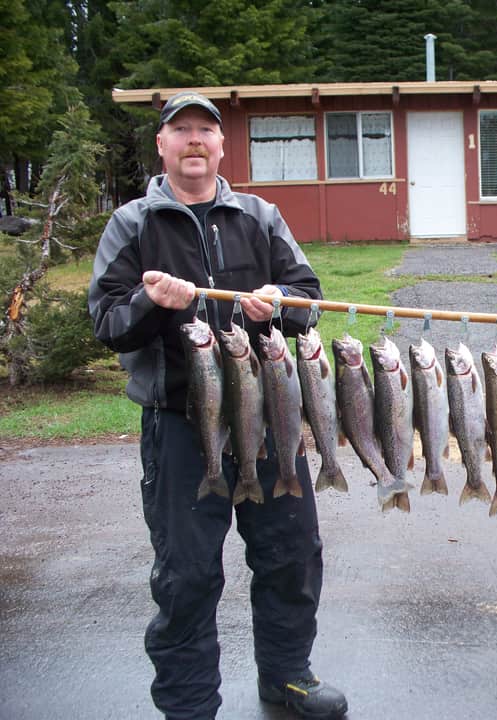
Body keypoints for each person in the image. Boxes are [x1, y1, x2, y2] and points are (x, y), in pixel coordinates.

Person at [88, 91, 348, 720]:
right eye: (182, 131)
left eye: (207, 130)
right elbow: (109, 322)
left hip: (271, 421)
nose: (195, 141)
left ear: (222, 146)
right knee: (187, 574)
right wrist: (157, 303)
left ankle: (288, 676)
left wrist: (277, 300)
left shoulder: (260, 216)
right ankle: (188, 703)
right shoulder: (132, 224)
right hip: (181, 425)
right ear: (162, 145)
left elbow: (308, 299)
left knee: (291, 557)